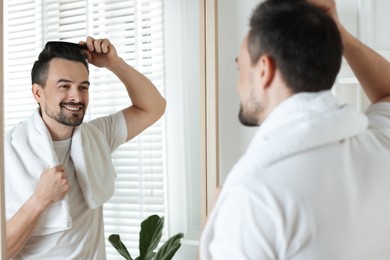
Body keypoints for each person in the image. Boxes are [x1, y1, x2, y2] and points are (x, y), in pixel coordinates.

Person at [200, 0, 390, 259]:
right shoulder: (380, 142)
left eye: (240, 68)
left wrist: (216, 232)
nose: (237, 85)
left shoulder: (253, 197)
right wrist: (339, 36)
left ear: (264, 70)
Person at [5, 37, 166, 259]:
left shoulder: (96, 136)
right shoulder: (8, 153)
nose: (76, 96)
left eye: (83, 87)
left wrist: (114, 63)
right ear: (38, 93)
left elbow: (154, 107)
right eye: (64, 86)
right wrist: (40, 199)